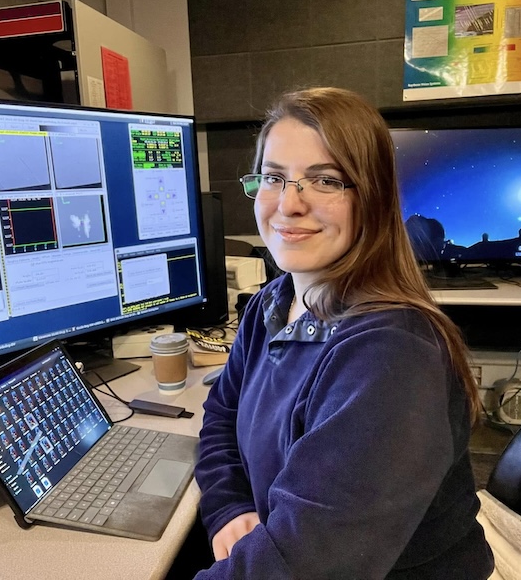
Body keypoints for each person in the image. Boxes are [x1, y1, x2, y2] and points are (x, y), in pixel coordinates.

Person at [193, 87, 494, 579]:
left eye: (325, 180)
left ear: (371, 197)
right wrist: (229, 507)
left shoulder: (391, 355)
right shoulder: (273, 303)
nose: (289, 204)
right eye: (273, 178)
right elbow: (222, 416)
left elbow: (306, 568)